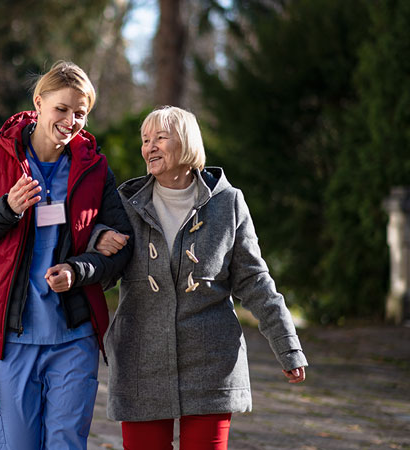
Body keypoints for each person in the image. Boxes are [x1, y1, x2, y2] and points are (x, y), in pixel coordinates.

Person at [93, 106, 308, 450]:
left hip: (212, 363)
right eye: (145, 140)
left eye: (160, 138)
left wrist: (288, 347)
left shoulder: (229, 203)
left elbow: (255, 281)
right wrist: (97, 240)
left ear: (187, 143)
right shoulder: (125, 204)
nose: (150, 147)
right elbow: (100, 273)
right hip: (140, 361)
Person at [0, 61, 133, 449]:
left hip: (75, 337)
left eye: (80, 113)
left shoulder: (95, 169)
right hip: (12, 337)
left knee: (66, 443)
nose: (71, 121)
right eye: (62, 109)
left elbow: (120, 249)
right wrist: (7, 208)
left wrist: (79, 269)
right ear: (39, 103)